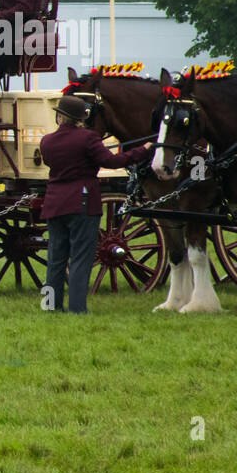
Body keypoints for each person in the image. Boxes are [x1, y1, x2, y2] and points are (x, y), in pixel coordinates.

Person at [39, 95, 153, 314]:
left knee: (55, 258)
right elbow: (111, 162)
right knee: (81, 258)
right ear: (81, 119)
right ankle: (77, 307)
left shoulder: (47, 141)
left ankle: (51, 305)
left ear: (60, 117)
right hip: (81, 202)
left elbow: (50, 162)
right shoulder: (88, 139)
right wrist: (143, 150)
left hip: (54, 202)